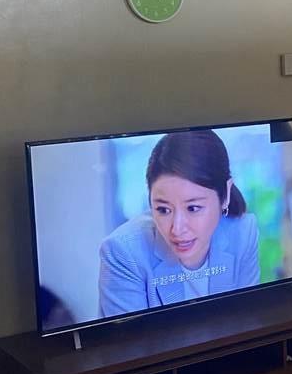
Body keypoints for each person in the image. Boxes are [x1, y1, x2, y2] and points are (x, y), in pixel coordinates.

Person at [99, 129, 260, 318]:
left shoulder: (242, 232)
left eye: (193, 208)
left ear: (225, 195)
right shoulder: (123, 252)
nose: (177, 229)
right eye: (163, 210)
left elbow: (247, 320)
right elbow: (132, 337)